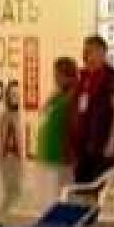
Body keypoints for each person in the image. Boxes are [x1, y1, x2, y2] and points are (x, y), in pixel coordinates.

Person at [70, 35, 114, 184]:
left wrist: (111, 142)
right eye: (84, 51)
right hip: (82, 147)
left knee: (100, 189)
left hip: (102, 146)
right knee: (81, 188)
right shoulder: (83, 76)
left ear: (101, 52)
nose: (85, 55)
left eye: (89, 51)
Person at [34, 57, 77, 206]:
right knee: (44, 201)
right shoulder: (56, 96)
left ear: (70, 75)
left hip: (60, 156)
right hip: (45, 154)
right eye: (55, 75)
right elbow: (43, 113)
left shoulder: (73, 97)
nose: (56, 78)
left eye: (60, 75)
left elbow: (73, 126)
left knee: (59, 200)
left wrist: (69, 151)